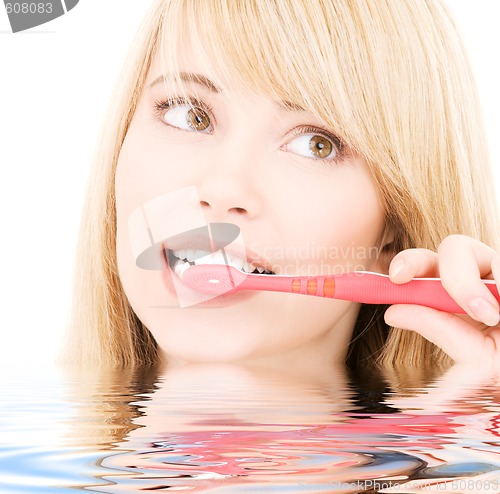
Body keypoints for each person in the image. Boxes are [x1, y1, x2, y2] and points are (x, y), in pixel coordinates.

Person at [65, 0, 500, 373]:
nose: (224, 188)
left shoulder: (463, 466)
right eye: (190, 114)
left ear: (393, 233)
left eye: (316, 144)